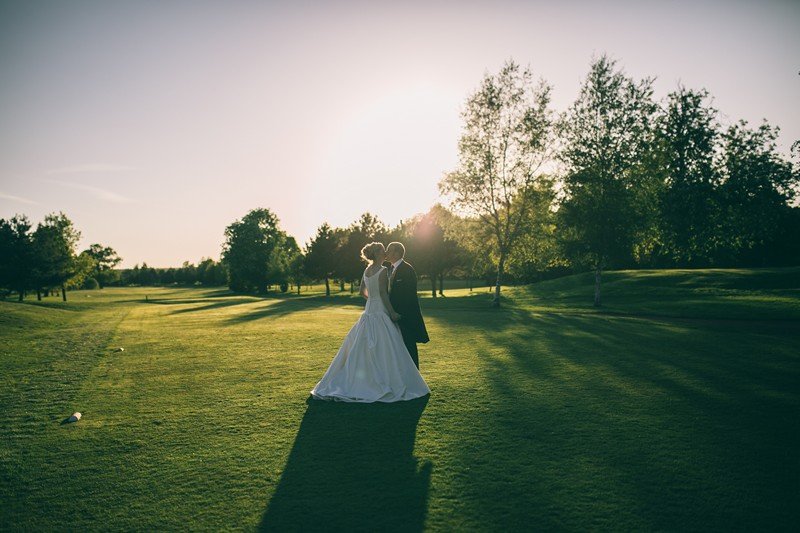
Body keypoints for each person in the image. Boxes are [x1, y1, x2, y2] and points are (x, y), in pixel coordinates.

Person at [310, 242, 430, 402]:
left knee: (365, 345)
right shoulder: (383, 270)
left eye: (387, 250)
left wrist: (372, 300)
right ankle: (388, 379)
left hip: (369, 309)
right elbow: (383, 293)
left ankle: (366, 378)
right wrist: (390, 310)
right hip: (380, 310)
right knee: (388, 344)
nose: (386, 251)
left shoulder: (367, 270)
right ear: (378, 253)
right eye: (383, 249)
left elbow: (362, 291)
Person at [385, 241, 429, 368]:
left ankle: (415, 378)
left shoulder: (407, 270)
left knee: (409, 347)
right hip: (394, 316)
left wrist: (400, 315)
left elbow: (408, 296)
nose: (386, 252)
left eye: (389, 250)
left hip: (405, 317)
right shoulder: (390, 270)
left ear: (397, 253)